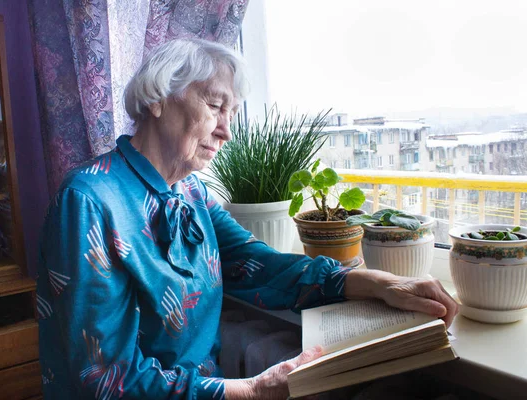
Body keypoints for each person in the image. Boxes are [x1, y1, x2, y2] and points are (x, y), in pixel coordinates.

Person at [37, 38, 458, 400]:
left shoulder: (190, 192)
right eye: (215, 105)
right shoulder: (89, 200)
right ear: (156, 99)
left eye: (232, 113)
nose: (226, 131)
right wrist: (251, 391)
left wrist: (377, 282)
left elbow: (258, 264)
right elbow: (106, 380)